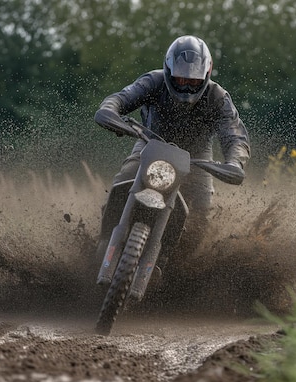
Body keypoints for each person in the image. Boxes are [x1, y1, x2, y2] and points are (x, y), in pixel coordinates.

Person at [94, 35, 251, 259]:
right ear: (168, 71)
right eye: (181, 79)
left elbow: (235, 137)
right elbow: (120, 98)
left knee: (200, 218)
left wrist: (235, 162)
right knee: (124, 180)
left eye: (194, 82)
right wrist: (109, 111)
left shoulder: (218, 97)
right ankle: (104, 241)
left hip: (196, 158)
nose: (187, 86)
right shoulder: (153, 82)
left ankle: (179, 269)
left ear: (206, 75)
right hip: (150, 144)